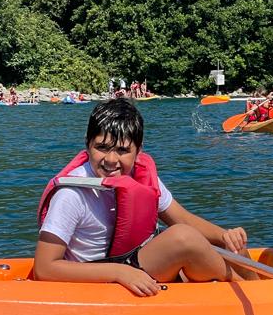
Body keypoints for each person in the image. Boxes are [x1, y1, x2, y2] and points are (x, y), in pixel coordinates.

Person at [35, 98, 257, 293]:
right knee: (183, 238)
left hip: (135, 259)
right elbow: (44, 268)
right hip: (100, 274)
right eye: (101, 147)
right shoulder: (71, 194)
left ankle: (258, 288)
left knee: (233, 244)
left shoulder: (139, 176)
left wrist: (226, 235)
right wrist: (118, 273)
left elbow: (183, 218)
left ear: (138, 150)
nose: (111, 160)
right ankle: (245, 292)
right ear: (88, 144)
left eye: (122, 150)